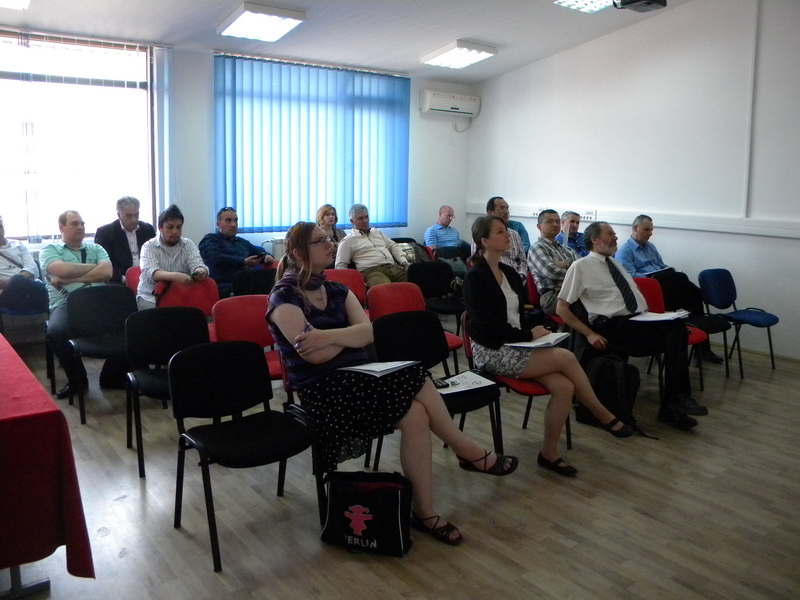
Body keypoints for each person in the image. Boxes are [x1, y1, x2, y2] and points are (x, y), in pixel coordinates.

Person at [269, 222, 519, 546]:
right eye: (320, 241)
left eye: (328, 238)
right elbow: (314, 357)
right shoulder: (284, 296)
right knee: (414, 374)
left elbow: (368, 333)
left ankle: (424, 512)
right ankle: (468, 451)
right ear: (299, 253)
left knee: (416, 414)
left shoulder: (338, 290)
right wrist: (347, 339)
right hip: (324, 393)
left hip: (360, 380)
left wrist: (326, 337)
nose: (330, 243)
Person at [463, 216, 633, 477]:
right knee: (566, 357)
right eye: (500, 232)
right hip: (492, 349)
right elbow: (487, 327)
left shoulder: (509, 273)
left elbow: (520, 315)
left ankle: (549, 454)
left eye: (506, 230)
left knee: (564, 387)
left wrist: (536, 334)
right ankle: (602, 414)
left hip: (517, 343)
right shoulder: (475, 277)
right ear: (484, 241)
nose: (508, 235)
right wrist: (529, 335)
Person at [556, 221, 708, 431]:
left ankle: (674, 403)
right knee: (674, 332)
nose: (616, 237)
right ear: (595, 240)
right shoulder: (580, 266)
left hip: (637, 320)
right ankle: (674, 403)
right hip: (612, 326)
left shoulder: (614, 264)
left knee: (677, 328)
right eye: (610, 234)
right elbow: (562, 309)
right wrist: (589, 334)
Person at [616, 215, 723, 364]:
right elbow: (631, 277)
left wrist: (667, 271)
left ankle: (702, 349)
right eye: (647, 230)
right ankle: (679, 337)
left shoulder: (650, 247)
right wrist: (654, 277)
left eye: (651, 230)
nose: (650, 233)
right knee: (678, 285)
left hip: (663, 285)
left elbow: (661, 266)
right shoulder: (625, 251)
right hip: (649, 291)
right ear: (635, 228)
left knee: (694, 294)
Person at [40, 210, 113, 398]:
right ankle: (78, 380)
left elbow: (107, 273)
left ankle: (111, 376)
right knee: (56, 332)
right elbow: (62, 270)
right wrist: (95, 267)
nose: (80, 227)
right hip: (66, 304)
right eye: (74, 224)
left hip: (99, 302)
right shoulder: (50, 250)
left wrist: (72, 277)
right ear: (61, 227)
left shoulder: (96, 248)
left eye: (82, 223)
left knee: (132, 325)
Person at [137, 205, 209, 310]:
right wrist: (175, 276)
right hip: (151, 297)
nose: (175, 231)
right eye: (170, 227)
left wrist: (200, 270)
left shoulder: (188, 244)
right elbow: (153, 273)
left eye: (179, 227)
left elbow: (197, 264)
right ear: (160, 228)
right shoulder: (149, 246)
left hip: (181, 295)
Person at [199, 207, 274, 297]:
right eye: (228, 221)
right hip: (224, 285)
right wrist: (244, 261)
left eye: (235, 220)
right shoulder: (210, 239)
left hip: (246, 283)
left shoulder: (242, 242)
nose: (234, 224)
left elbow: (261, 252)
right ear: (218, 224)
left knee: (272, 274)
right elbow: (216, 258)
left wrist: (267, 257)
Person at [334, 204, 410, 288]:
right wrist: (355, 280)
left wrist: (404, 262)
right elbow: (340, 266)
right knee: (385, 290)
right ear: (352, 221)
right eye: (361, 218)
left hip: (394, 268)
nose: (365, 221)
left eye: (366, 217)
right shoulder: (348, 241)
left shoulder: (377, 232)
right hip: (372, 272)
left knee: (414, 283)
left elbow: (392, 246)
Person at [527, 209, 579, 316]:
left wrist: (564, 264)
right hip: (553, 297)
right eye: (550, 221)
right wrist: (573, 268)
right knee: (589, 305)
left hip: (573, 291)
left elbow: (582, 266)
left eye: (557, 221)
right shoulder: (536, 248)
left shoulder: (567, 249)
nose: (555, 224)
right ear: (539, 226)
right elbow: (552, 273)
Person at [94, 196, 156, 284]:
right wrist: (124, 279)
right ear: (119, 215)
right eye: (129, 216)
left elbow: (154, 255)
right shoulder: (105, 233)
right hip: (119, 281)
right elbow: (105, 263)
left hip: (147, 278)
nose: (134, 219)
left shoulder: (147, 229)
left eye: (136, 215)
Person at [0, 215, 48, 314]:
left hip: (28, 287)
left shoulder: (18, 245)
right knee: (41, 290)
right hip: (6, 294)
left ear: (3, 227)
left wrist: (15, 281)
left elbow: (32, 268)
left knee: (18, 280)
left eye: (0, 226)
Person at [477, 197, 528, 283]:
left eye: (507, 208)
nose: (506, 211)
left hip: (517, 279)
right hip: (493, 280)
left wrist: (520, 277)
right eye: (501, 208)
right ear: (490, 213)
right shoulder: (482, 233)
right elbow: (478, 259)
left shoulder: (514, 234)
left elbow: (522, 260)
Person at [315, 204, 347, 269]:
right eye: (327, 214)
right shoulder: (317, 233)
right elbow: (323, 250)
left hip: (342, 260)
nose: (331, 217)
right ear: (321, 217)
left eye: (333, 214)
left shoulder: (341, 232)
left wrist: (334, 245)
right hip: (326, 263)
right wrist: (338, 245)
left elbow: (347, 247)